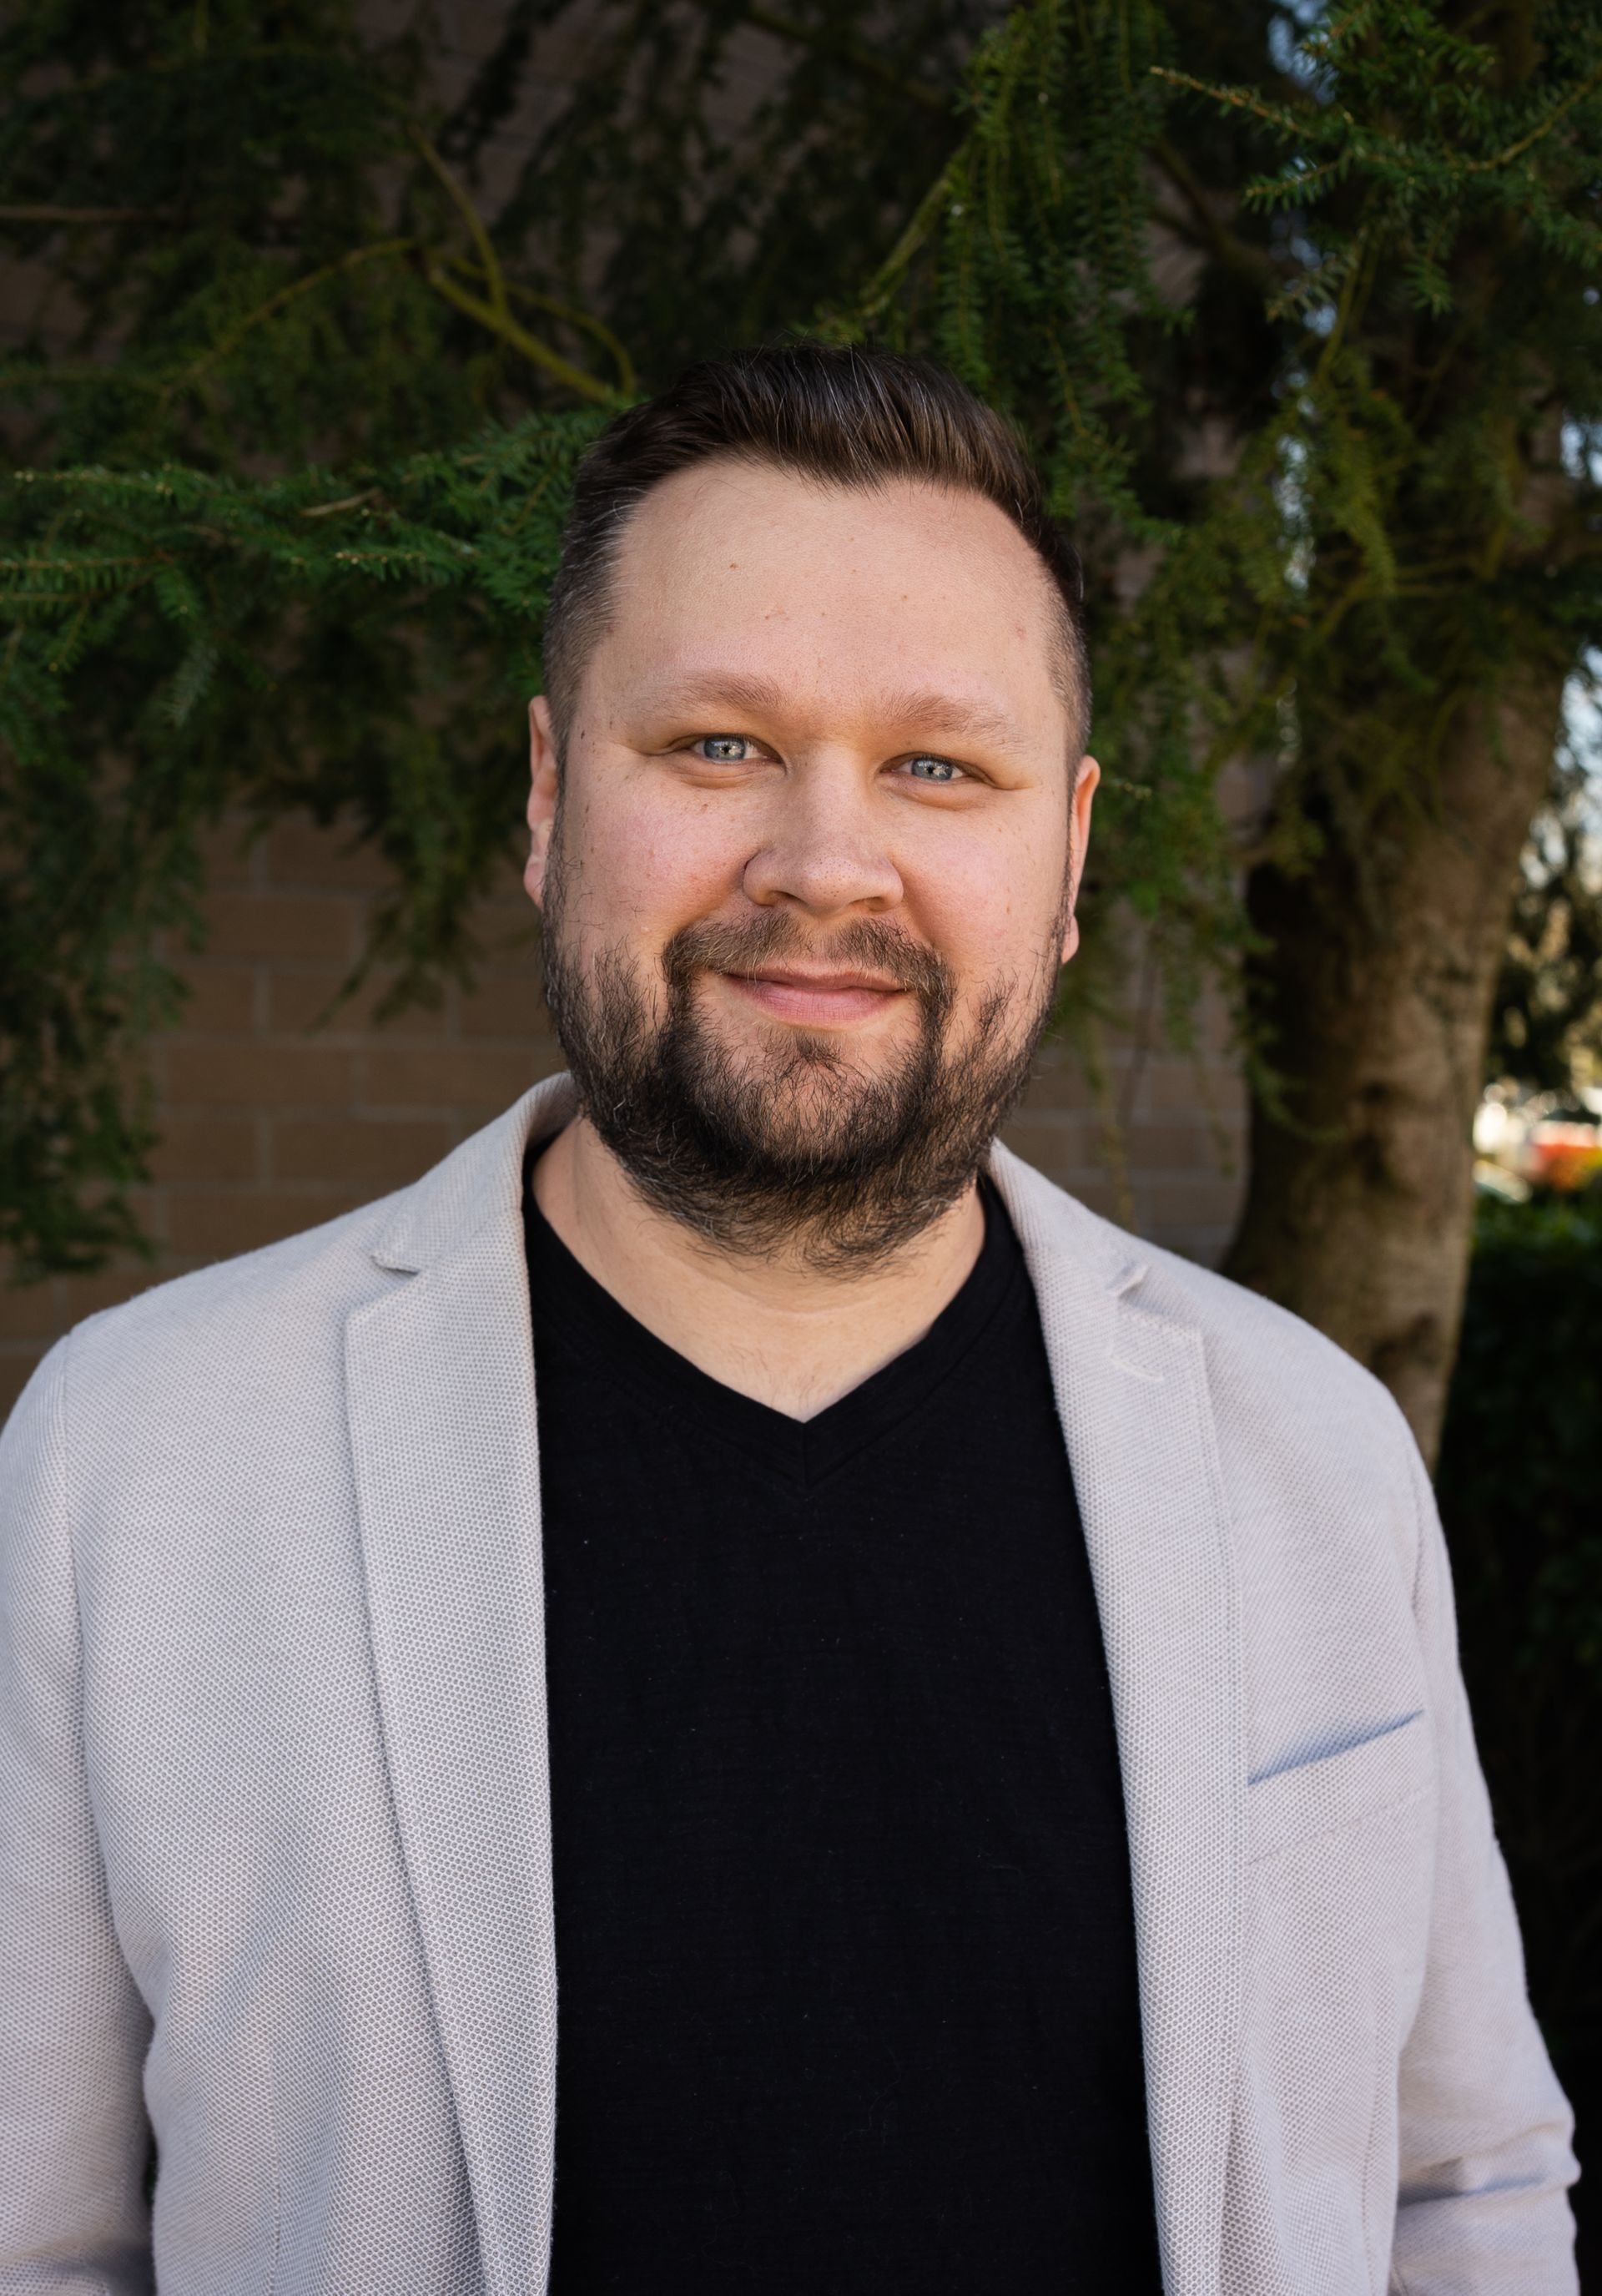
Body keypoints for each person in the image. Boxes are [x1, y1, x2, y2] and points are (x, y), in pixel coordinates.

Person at [0, 344, 1577, 2296]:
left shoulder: (1311, 1448)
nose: (827, 863)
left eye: (939, 764)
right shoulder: (134, 1462)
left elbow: (1466, 2184)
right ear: (553, 797)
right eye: (721, 743)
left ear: (1070, 858)